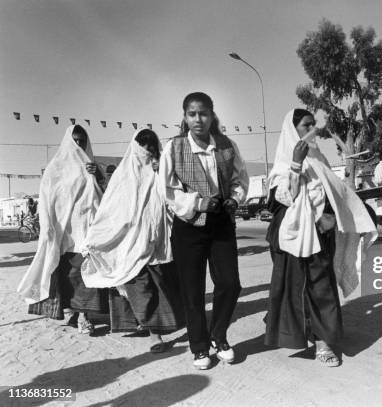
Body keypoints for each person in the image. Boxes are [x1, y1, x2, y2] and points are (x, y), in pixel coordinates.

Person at [264, 109, 378, 367]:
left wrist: (331, 217)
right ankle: (298, 333)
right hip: (290, 238)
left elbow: (336, 196)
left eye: (313, 125)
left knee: (322, 289)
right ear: (294, 130)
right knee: (293, 289)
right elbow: (282, 200)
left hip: (321, 236)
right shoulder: (283, 164)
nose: (313, 130)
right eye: (307, 126)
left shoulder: (320, 160)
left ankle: (324, 343)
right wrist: (295, 163)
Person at [159, 92, 249, 369]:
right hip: (189, 227)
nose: (198, 119)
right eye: (192, 114)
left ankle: (218, 335)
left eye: (203, 113)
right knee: (192, 290)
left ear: (212, 115)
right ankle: (199, 346)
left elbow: (240, 178)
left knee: (230, 283)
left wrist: (235, 197)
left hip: (221, 222)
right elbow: (167, 190)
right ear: (185, 117)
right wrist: (198, 203)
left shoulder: (225, 145)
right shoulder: (173, 148)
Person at [81, 129, 184, 353]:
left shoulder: (162, 171)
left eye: (152, 147)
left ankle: (152, 329)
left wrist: (165, 174)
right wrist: (96, 239)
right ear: (136, 147)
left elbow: (176, 199)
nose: (149, 151)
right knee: (140, 288)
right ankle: (153, 334)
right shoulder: (123, 175)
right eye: (144, 146)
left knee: (156, 288)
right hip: (130, 244)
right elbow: (110, 209)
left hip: (157, 243)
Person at [17, 125, 106, 334]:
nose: (78, 144)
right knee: (66, 276)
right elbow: (48, 199)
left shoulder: (93, 167)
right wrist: (49, 230)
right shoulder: (55, 168)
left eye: (82, 141)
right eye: (74, 140)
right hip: (63, 234)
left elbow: (106, 199)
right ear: (67, 141)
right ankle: (74, 312)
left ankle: (84, 316)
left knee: (85, 275)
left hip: (86, 232)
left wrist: (99, 177)